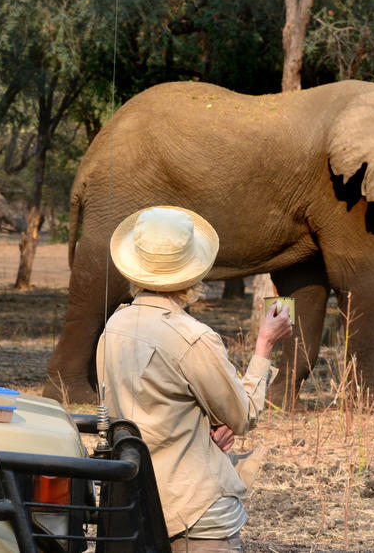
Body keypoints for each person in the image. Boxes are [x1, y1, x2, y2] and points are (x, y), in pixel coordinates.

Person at [99, 206, 292, 551]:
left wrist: (203, 424)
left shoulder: (114, 326)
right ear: (193, 272)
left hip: (134, 504)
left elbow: (149, 408)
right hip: (195, 512)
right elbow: (243, 415)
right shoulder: (193, 337)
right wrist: (265, 345)